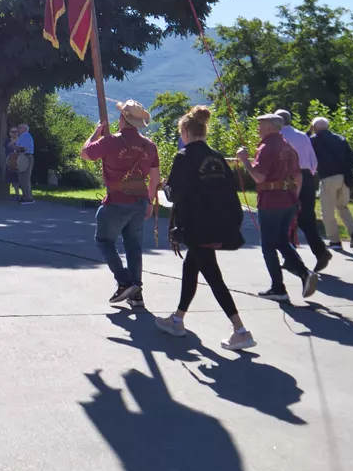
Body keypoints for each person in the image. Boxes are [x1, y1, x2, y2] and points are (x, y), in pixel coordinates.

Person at [153, 106, 255, 350]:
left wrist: (165, 186)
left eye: (181, 133)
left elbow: (177, 194)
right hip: (221, 222)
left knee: (212, 276)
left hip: (198, 225)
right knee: (191, 268)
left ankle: (240, 329)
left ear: (186, 131)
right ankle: (177, 319)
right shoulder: (218, 158)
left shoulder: (184, 156)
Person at [82, 100, 161, 308]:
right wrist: (150, 202)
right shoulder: (150, 145)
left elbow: (85, 153)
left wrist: (96, 133)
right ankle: (136, 294)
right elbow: (155, 178)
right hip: (140, 200)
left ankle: (125, 281)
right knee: (133, 245)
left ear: (122, 119)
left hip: (116, 200)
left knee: (104, 241)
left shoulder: (110, 141)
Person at [238, 113, 319, 300]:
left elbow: (259, 177)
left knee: (268, 245)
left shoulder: (266, 148)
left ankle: (278, 288)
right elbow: (298, 176)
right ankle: (304, 274)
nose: (258, 128)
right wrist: (294, 197)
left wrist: (244, 160)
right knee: (282, 240)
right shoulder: (287, 146)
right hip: (289, 200)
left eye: (261, 124)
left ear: (269, 126)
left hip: (271, 201)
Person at [276, 108, 330, 271]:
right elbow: (313, 161)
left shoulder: (279, 138)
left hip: (288, 176)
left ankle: (291, 256)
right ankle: (318, 251)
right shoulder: (303, 136)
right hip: (306, 176)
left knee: (284, 218)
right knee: (306, 216)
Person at [310, 116, 353, 250]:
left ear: (314, 127)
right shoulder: (340, 139)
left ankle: (334, 241)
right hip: (344, 178)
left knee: (327, 212)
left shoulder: (314, 140)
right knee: (342, 207)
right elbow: (352, 158)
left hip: (328, 178)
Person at [11, 122, 35, 204]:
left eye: (19, 127)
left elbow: (23, 149)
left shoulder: (25, 137)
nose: (18, 129)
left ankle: (27, 198)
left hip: (25, 157)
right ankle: (27, 196)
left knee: (24, 178)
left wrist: (14, 147)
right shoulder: (23, 136)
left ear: (24, 129)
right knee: (23, 178)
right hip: (23, 157)